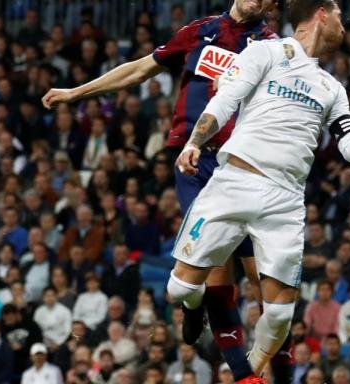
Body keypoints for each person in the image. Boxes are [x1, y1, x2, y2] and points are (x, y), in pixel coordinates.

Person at [165, 1, 350, 383]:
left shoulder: (332, 87)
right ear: (322, 14)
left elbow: (349, 143)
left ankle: (250, 375)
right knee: (179, 290)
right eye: (341, 18)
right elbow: (224, 100)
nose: (345, 29)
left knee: (277, 317)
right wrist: (195, 141)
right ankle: (195, 305)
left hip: (285, 202)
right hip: (235, 182)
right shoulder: (265, 51)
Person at [41, 2, 277, 382]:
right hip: (195, 160)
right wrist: (76, 92)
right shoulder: (199, 31)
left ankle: (196, 301)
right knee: (217, 270)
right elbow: (138, 69)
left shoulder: (270, 45)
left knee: (262, 283)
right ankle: (242, 373)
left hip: (244, 165)